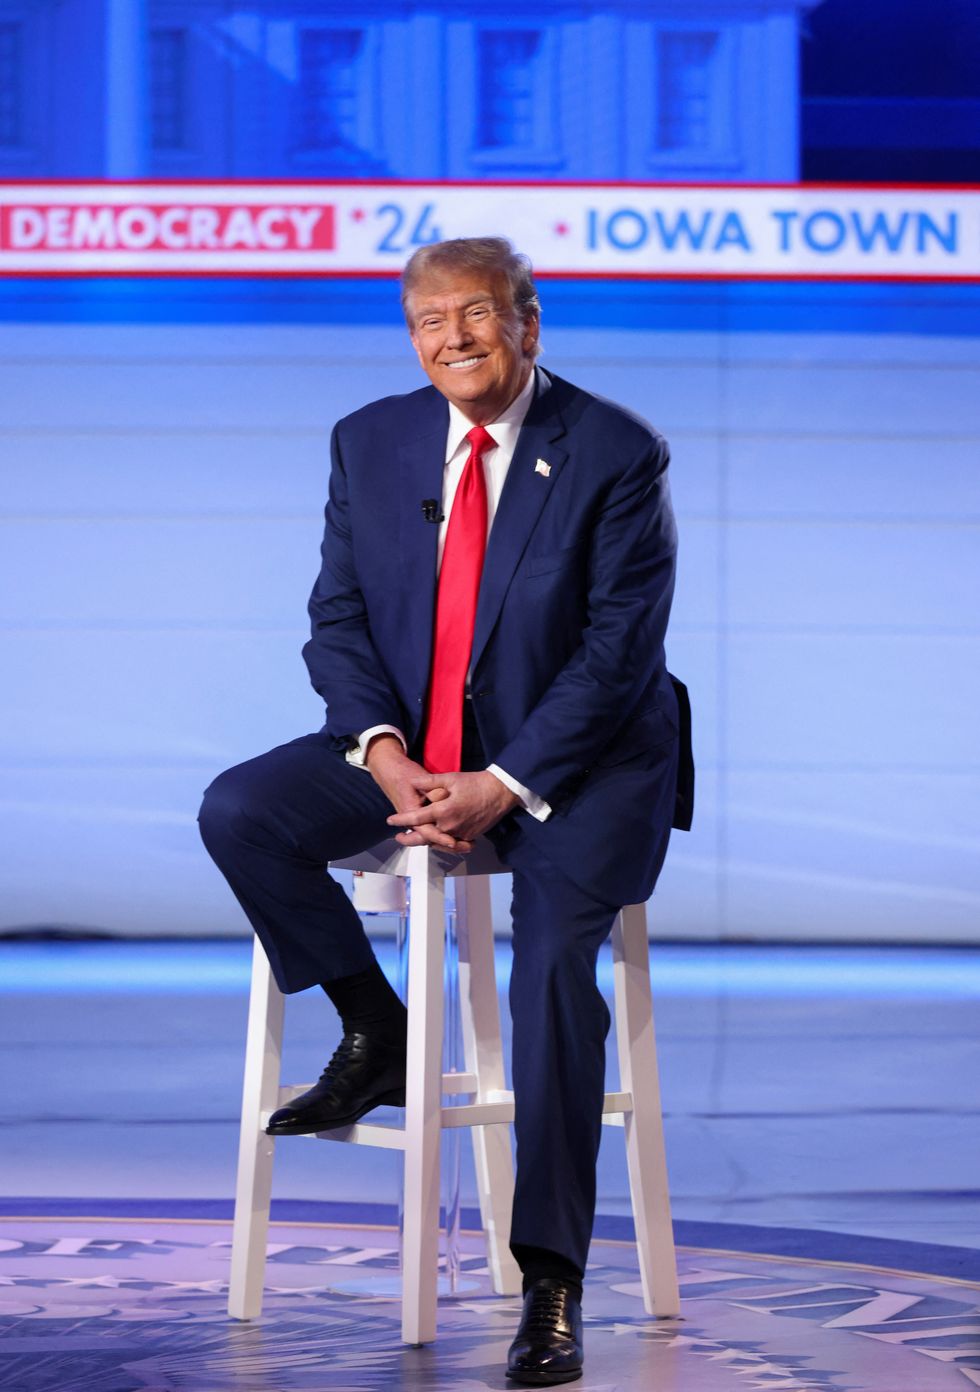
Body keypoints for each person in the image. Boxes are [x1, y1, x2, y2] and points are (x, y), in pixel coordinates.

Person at [199, 236, 691, 1386]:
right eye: (429, 323)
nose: (452, 342)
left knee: (551, 981)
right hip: (416, 753)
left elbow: (620, 654)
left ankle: (550, 1283)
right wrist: (380, 755)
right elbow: (337, 620)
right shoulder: (368, 440)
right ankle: (376, 1028)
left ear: (527, 324)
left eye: (475, 316)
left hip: (581, 766)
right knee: (242, 811)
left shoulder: (614, 449)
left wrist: (501, 783)